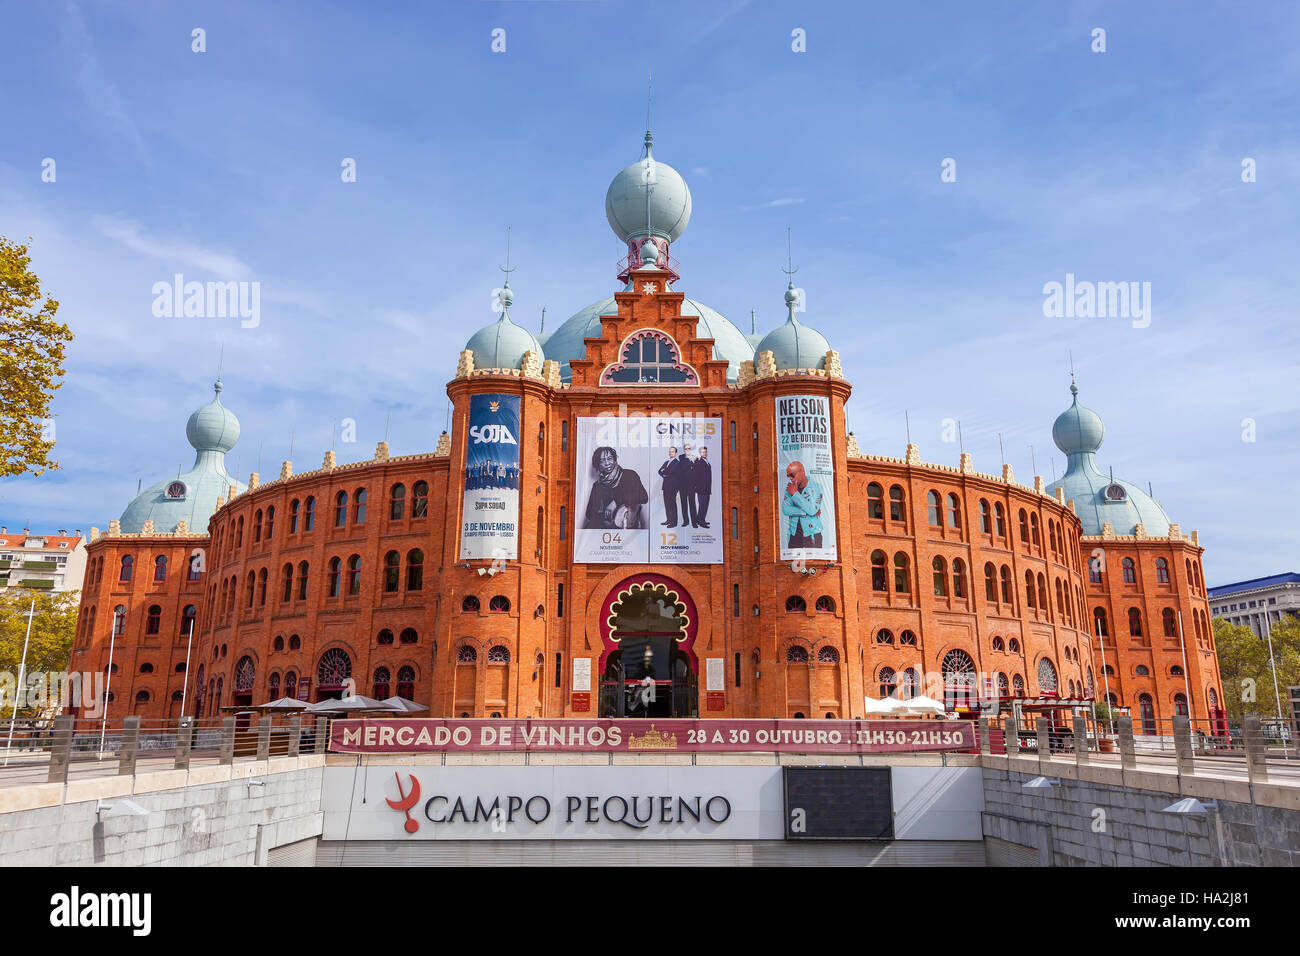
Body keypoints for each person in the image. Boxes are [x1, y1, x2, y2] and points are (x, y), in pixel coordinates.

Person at [583, 446, 648, 529]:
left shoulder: (629, 475)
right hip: (607, 527)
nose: (607, 463)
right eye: (602, 460)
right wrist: (605, 515)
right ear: (598, 464)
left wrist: (616, 502)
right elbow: (590, 513)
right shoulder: (597, 485)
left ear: (614, 459)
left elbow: (643, 497)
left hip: (627, 525)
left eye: (609, 458)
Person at [781, 459, 824, 550]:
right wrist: (806, 513)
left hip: (812, 536)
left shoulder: (816, 487)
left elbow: (812, 509)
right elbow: (785, 509)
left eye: (792, 475)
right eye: (788, 475)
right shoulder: (790, 489)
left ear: (802, 472)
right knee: (793, 564)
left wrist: (795, 494)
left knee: (813, 564)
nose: (790, 478)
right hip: (794, 536)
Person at [657, 446, 685, 526]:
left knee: (672, 504)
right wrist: (664, 473)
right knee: (667, 504)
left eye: (672, 451)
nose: (670, 453)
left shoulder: (677, 463)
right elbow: (659, 471)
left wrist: (664, 472)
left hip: (673, 487)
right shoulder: (666, 462)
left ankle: (673, 522)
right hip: (665, 486)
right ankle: (669, 520)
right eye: (670, 451)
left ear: (675, 453)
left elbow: (669, 472)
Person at [692, 445, 712, 528]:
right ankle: (701, 521)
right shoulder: (699, 462)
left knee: (705, 505)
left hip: (707, 488)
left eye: (706, 452)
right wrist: (696, 487)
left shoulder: (706, 462)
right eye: (703, 452)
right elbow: (695, 475)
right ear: (700, 453)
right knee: (702, 505)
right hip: (701, 488)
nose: (705, 453)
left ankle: (700, 519)